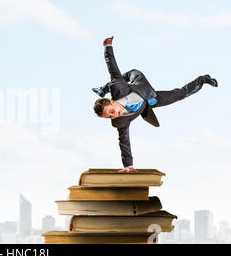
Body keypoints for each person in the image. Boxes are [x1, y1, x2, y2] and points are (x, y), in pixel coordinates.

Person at [93, 36, 218, 173]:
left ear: (112, 101)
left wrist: (107, 46)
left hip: (140, 83)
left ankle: (103, 89)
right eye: (109, 117)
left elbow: (112, 67)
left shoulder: (119, 88)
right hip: (149, 102)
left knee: (119, 78)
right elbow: (124, 142)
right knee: (179, 95)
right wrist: (128, 166)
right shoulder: (119, 122)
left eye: (112, 111)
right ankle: (203, 79)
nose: (114, 115)